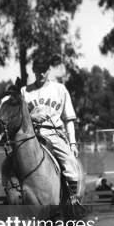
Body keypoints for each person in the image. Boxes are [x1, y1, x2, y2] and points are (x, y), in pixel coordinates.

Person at [22, 54, 83, 208]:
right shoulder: (25, 91)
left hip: (54, 133)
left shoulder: (59, 89)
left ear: (48, 71)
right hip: (32, 135)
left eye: (44, 70)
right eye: (38, 70)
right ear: (33, 71)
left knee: (70, 165)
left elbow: (69, 119)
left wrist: (73, 143)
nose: (41, 74)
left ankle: (73, 200)